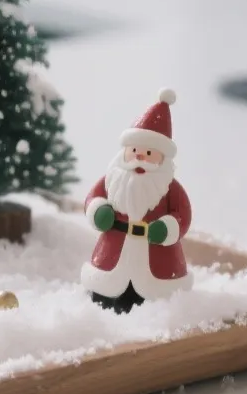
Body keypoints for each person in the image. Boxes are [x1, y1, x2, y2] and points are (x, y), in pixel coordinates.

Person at [80, 89, 193, 314]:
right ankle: (105, 300)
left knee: (155, 304)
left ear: (163, 158)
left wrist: (169, 227)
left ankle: (149, 309)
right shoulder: (113, 180)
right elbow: (94, 197)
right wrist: (98, 209)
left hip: (159, 266)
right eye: (135, 151)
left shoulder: (170, 188)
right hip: (111, 260)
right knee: (105, 296)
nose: (140, 158)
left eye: (149, 153)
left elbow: (183, 215)